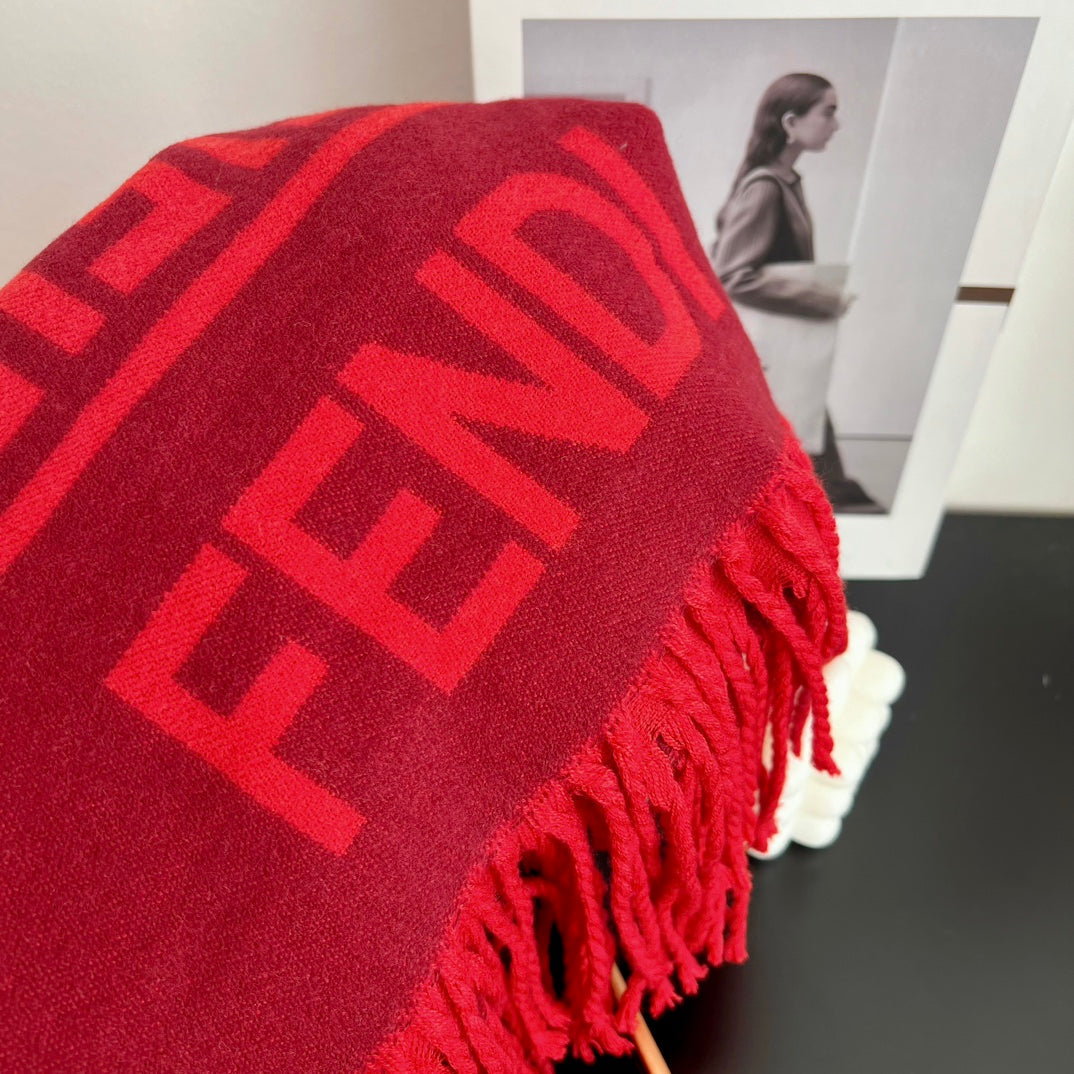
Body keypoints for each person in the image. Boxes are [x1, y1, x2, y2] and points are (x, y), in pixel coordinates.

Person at [711, 72, 881, 512]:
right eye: (828, 112)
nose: (835, 124)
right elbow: (733, 275)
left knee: (805, 428)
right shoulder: (766, 188)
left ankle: (832, 498)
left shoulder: (782, 182)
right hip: (775, 342)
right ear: (790, 122)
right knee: (803, 433)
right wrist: (824, 301)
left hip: (783, 344)